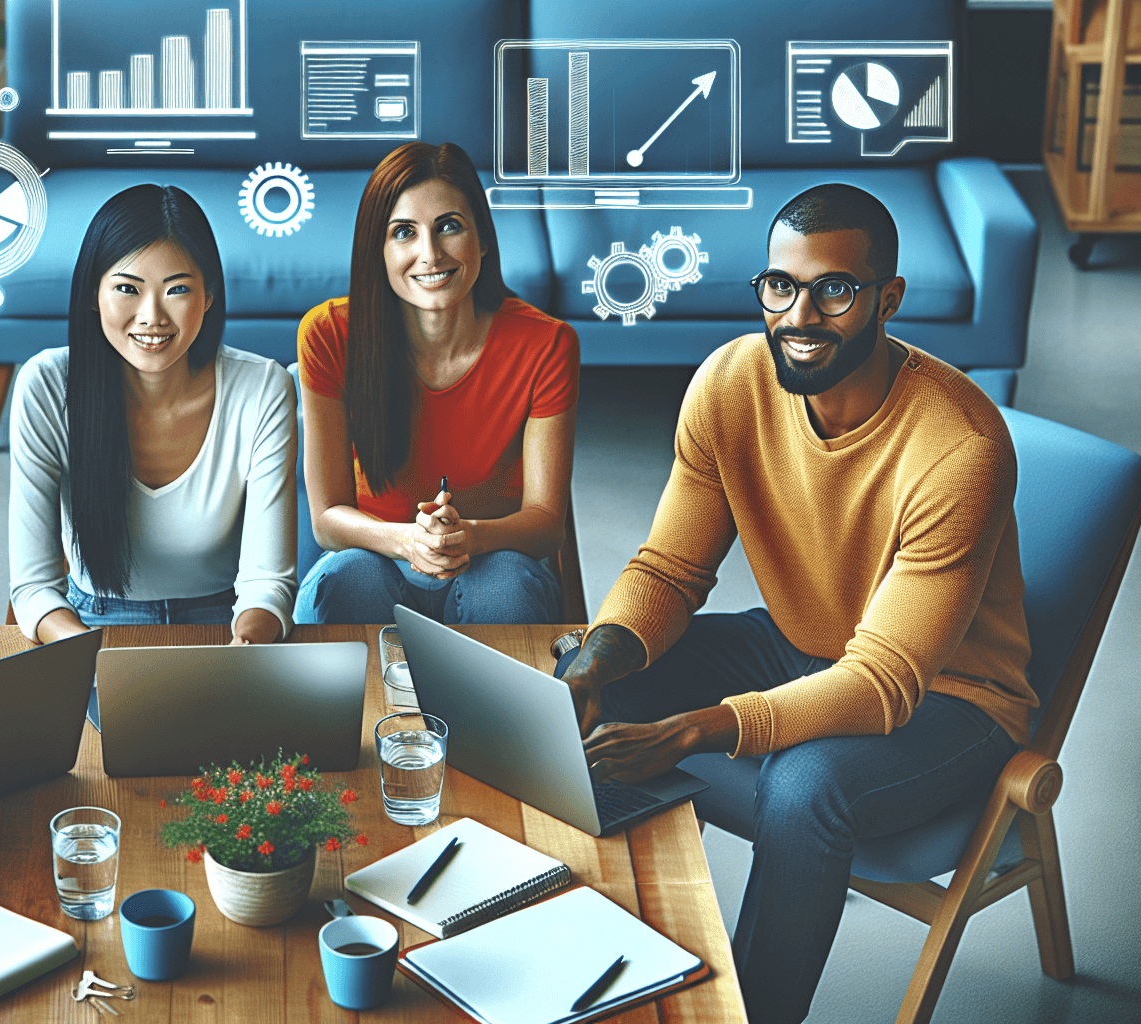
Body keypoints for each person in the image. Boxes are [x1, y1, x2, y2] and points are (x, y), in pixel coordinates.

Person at [560, 183, 1035, 1023]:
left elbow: (884, 681)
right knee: (580, 688)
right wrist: (597, 656)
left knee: (803, 786)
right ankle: (604, 968)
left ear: (888, 297)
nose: (801, 315)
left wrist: (703, 724)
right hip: (804, 645)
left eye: (835, 289)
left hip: (949, 698)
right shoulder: (732, 382)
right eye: (781, 286)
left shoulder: (961, 447)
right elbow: (669, 570)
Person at [295, 141, 578, 625]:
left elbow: (547, 523)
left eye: (449, 226)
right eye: (403, 232)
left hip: (492, 559)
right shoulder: (327, 334)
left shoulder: (546, 344)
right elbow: (326, 518)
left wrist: (467, 536)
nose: (429, 254)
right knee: (346, 579)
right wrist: (408, 539)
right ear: (377, 251)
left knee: (508, 587)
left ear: (482, 239)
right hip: (377, 555)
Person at [10, 184, 296, 644]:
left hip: (226, 621)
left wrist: (247, 647)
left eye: (177, 289)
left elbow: (268, 583)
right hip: (92, 625)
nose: (152, 316)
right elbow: (35, 589)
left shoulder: (263, 388)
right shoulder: (46, 386)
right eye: (127, 288)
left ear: (209, 296)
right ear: (92, 294)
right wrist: (89, 658)